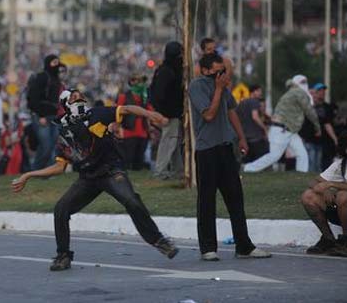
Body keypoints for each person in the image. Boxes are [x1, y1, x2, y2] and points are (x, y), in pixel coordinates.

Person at [11, 89, 178, 271]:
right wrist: (28, 175)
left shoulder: (96, 114)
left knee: (131, 200)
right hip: (88, 178)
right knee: (61, 209)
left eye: (80, 95)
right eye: (74, 97)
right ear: (65, 105)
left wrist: (150, 114)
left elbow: (126, 109)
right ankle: (63, 256)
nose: (80, 98)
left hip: (111, 171)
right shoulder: (64, 133)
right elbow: (59, 167)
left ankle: (159, 241)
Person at [189, 53, 271, 261]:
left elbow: (231, 110)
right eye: (217, 71)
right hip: (207, 149)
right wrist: (218, 88)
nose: (221, 75)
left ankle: (243, 245)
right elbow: (208, 115)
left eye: (223, 71)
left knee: (236, 197)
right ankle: (208, 247)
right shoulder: (197, 86)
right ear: (206, 70)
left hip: (226, 147)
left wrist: (241, 138)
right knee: (207, 200)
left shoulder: (223, 87)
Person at [243, 75, 320, 173]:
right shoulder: (299, 93)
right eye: (303, 82)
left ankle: (302, 175)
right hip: (282, 130)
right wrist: (317, 127)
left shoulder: (292, 92)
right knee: (274, 156)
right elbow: (310, 111)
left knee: (302, 153)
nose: (305, 84)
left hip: (288, 129)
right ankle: (248, 168)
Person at [300, 131, 347, 257]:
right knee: (308, 196)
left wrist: (331, 185)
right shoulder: (341, 164)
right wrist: (324, 189)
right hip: (340, 210)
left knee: (343, 196)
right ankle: (328, 239)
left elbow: (331, 184)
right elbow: (314, 181)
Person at [151, 42, 183, 180]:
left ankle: (177, 170)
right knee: (169, 141)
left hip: (171, 112)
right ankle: (160, 171)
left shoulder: (166, 69)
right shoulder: (168, 71)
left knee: (174, 141)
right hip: (169, 113)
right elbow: (160, 94)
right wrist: (163, 112)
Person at [27, 54, 64, 170]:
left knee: (51, 146)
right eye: (54, 62)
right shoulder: (42, 77)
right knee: (46, 145)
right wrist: (41, 115)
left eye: (57, 62)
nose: (57, 65)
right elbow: (34, 98)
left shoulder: (56, 79)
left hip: (53, 116)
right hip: (41, 116)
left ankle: (43, 172)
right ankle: (36, 170)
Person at [116, 74, 151, 170]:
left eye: (140, 81)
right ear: (131, 82)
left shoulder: (145, 96)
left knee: (139, 158)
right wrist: (118, 128)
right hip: (129, 131)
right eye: (135, 80)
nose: (139, 83)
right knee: (128, 158)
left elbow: (150, 111)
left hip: (143, 131)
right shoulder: (123, 96)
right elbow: (118, 112)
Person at [235, 85, 268, 163]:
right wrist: (264, 128)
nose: (260, 93)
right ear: (254, 92)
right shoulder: (254, 102)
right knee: (260, 160)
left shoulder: (242, 102)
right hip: (255, 137)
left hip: (244, 137)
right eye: (259, 91)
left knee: (246, 160)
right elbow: (255, 117)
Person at [312, 83, 339, 170]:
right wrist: (335, 138)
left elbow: (331, 122)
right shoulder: (310, 107)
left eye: (323, 90)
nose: (322, 92)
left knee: (325, 165)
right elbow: (326, 124)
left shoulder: (328, 106)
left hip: (327, 142)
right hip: (314, 140)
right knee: (314, 165)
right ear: (314, 93)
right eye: (319, 90)